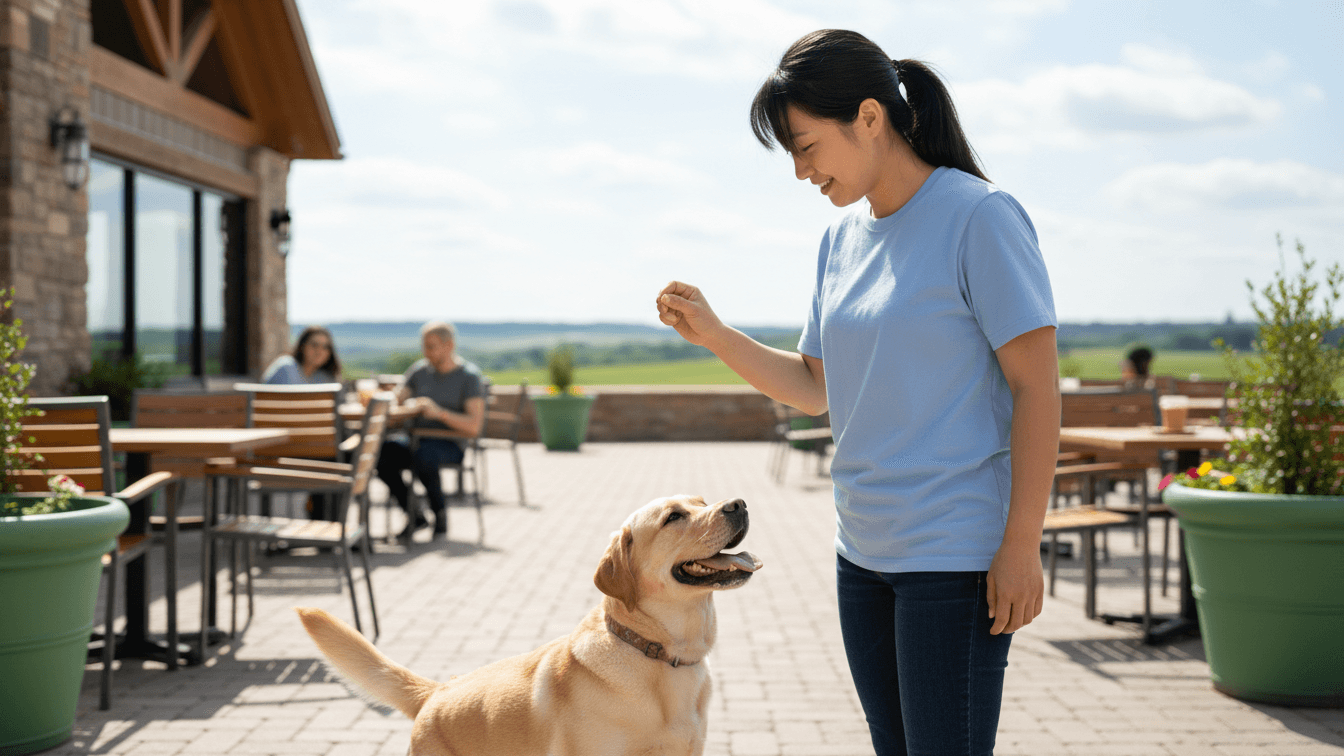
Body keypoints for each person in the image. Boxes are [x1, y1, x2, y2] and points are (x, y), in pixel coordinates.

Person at [655, 30, 1060, 755]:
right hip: (862, 552)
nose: (801, 170)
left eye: (807, 146)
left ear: (869, 117)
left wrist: (1022, 543)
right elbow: (815, 390)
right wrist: (715, 333)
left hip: (954, 556)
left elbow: (1037, 389)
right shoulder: (839, 242)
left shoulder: (980, 217)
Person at [376, 321, 485, 541]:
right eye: (424, 346)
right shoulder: (419, 371)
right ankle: (414, 513)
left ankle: (440, 514)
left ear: (449, 345)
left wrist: (439, 413)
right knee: (380, 454)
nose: (426, 352)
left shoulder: (469, 377)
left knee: (425, 455)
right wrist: (401, 404)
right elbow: (398, 398)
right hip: (414, 438)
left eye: (431, 346)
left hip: (450, 443)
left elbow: (474, 426)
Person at [262, 326, 341, 384]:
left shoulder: (324, 377)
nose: (319, 351)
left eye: (325, 347)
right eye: (314, 345)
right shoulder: (287, 368)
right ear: (302, 347)